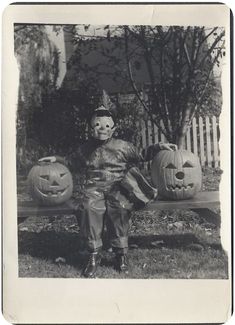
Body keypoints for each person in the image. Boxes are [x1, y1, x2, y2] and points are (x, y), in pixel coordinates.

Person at [39, 106, 177, 278]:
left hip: (118, 186)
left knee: (119, 207)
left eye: (106, 126)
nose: (101, 129)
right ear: (91, 129)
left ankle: (121, 254)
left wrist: (158, 146)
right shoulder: (86, 149)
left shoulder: (123, 146)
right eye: (97, 125)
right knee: (88, 208)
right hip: (94, 188)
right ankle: (93, 255)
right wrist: (56, 159)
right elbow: (70, 161)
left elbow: (141, 154)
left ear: (113, 129)